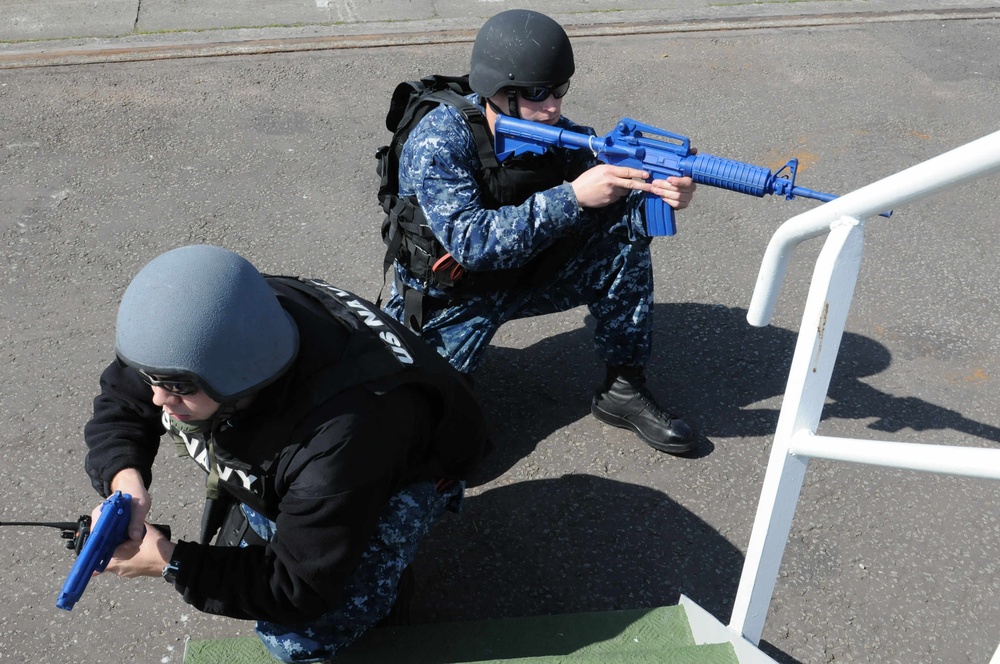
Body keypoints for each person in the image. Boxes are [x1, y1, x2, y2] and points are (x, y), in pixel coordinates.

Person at [82, 244, 490, 663]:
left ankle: (382, 586)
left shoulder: (340, 441)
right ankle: (286, 514)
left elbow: (297, 587)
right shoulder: (215, 322)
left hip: (404, 468)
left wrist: (168, 562)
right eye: (153, 377)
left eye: (177, 387)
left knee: (297, 637)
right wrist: (125, 479)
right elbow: (122, 399)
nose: (156, 397)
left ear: (238, 376)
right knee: (263, 535)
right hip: (326, 457)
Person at [380, 9, 698, 455]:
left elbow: (605, 172)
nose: (552, 106)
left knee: (626, 235)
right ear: (496, 91)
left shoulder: (547, 127)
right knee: (426, 445)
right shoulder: (439, 140)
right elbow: (473, 244)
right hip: (450, 297)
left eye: (558, 90)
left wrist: (661, 186)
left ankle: (622, 390)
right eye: (535, 93)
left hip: (520, 272)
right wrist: (572, 197)